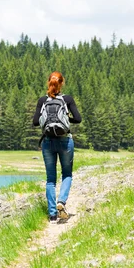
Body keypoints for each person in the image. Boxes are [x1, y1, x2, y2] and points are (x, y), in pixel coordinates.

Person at [33, 71, 82, 223]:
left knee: (50, 180)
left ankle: (53, 214)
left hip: (48, 142)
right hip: (65, 141)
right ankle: (62, 201)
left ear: (49, 83)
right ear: (61, 83)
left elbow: (35, 122)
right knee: (67, 174)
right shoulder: (67, 99)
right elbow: (78, 119)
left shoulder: (42, 100)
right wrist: (66, 120)